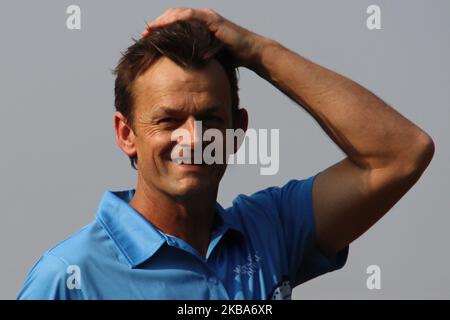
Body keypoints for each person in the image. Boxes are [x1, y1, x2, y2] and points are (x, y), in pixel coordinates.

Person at [17, 8, 434, 300]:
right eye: (168, 120)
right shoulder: (69, 277)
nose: (192, 137)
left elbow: (401, 152)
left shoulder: (272, 232)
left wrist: (257, 51)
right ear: (126, 134)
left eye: (210, 119)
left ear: (238, 131)